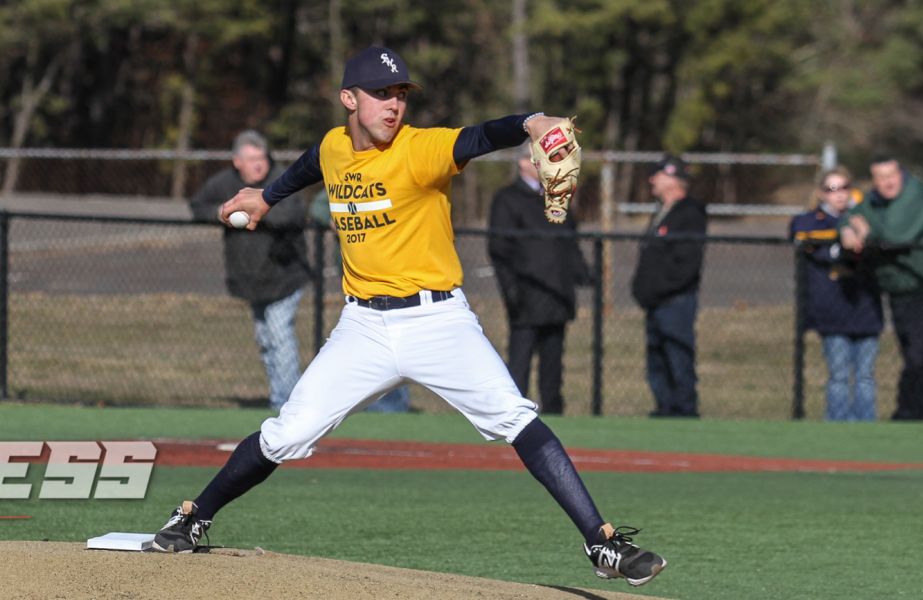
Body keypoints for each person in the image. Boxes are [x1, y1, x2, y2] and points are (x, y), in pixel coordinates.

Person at [152, 46, 666, 587]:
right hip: (363, 328)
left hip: (438, 322)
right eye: (380, 94)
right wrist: (267, 197)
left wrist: (530, 122)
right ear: (349, 99)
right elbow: (312, 162)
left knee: (515, 417)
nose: (393, 104)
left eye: (400, 94)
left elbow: (480, 136)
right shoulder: (334, 146)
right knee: (287, 434)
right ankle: (193, 517)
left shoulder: (421, 148)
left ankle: (602, 544)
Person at [188, 130, 309, 411]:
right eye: (251, 159)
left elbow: (292, 213)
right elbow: (198, 206)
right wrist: (221, 212)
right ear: (237, 162)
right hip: (251, 279)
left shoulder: (280, 179)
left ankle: (288, 405)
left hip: (284, 278)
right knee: (266, 340)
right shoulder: (225, 183)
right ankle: (279, 397)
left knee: (279, 337)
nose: (258, 164)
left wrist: (258, 209)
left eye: (262, 158)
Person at [840, 155, 923, 421]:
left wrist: (865, 231)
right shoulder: (874, 200)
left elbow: (895, 236)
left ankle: (905, 413)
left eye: (891, 175)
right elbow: (851, 217)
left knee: (917, 357)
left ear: (900, 174)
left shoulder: (913, 195)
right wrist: (846, 229)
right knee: (916, 359)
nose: (887, 182)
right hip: (899, 291)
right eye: (880, 177)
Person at [487, 146, 591, 415]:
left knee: (553, 363)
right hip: (526, 296)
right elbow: (500, 249)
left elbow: (570, 243)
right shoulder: (508, 199)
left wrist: (583, 274)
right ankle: (514, 415)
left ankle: (554, 413)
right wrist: (511, 290)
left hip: (557, 294)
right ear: (524, 163)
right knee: (520, 360)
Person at [790, 167, 883, 421]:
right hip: (832, 311)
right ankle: (838, 426)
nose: (839, 194)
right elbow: (806, 240)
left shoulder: (864, 219)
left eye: (844, 188)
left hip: (865, 309)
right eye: (832, 189)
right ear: (821, 193)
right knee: (839, 375)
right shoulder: (811, 221)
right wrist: (842, 243)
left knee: (865, 376)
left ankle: (865, 428)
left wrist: (862, 231)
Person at [309, 189, 412, 413]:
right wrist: (336, 221)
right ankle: (362, 402)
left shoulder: (394, 180)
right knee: (362, 348)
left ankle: (390, 407)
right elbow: (318, 207)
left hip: (396, 279)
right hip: (356, 283)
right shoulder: (346, 178)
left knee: (394, 345)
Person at [630, 155, 707, 418]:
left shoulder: (689, 213)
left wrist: (661, 288)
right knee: (657, 357)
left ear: (674, 179)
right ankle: (665, 406)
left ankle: (684, 409)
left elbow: (686, 263)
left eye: (659, 174)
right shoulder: (662, 211)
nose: (652, 180)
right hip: (655, 301)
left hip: (675, 300)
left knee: (678, 354)